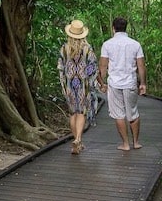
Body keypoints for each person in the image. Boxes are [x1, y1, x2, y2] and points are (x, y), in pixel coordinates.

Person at [98, 17, 147, 150]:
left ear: (113, 28)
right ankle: (136, 142)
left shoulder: (107, 44)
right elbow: (141, 66)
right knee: (133, 112)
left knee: (118, 114)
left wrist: (101, 83)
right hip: (130, 82)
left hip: (114, 84)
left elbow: (102, 66)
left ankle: (125, 144)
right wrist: (143, 83)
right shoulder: (135, 44)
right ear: (126, 28)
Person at [58, 19, 100, 154]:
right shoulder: (87, 49)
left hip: (70, 85)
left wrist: (64, 83)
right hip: (83, 85)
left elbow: (60, 67)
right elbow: (93, 68)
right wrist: (91, 81)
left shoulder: (64, 48)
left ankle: (76, 141)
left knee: (72, 113)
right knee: (81, 112)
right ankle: (78, 139)